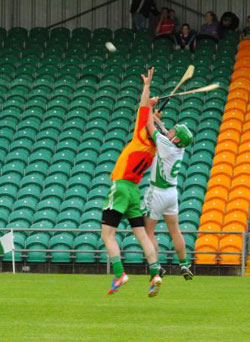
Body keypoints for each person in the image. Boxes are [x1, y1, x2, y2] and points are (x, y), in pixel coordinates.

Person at [101, 67, 162, 297]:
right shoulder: (154, 147)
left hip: (121, 187)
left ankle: (119, 274)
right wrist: (153, 111)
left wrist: (147, 87)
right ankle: (155, 273)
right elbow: (151, 121)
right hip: (135, 190)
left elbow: (143, 109)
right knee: (141, 234)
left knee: (107, 235)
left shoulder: (140, 135)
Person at [142, 111, 194, 280]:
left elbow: (150, 126)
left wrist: (148, 108)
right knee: (175, 231)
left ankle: (155, 266)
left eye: (173, 131)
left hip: (157, 192)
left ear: (176, 139)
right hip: (172, 193)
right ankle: (184, 263)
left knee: (148, 231)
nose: (170, 131)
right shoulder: (180, 147)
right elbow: (163, 130)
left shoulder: (166, 143)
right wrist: (156, 117)